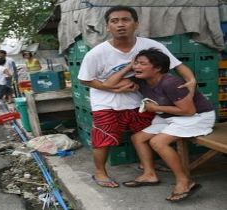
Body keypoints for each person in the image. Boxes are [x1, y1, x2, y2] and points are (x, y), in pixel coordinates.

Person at [77, 5, 196, 188]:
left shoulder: (150, 46)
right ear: (107, 27)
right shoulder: (97, 53)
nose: (120, 25)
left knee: (144, 133)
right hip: (106, 103)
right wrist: (113, 89)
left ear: (136, 24)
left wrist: (191, 79)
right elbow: (85, 80)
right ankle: (100, 172)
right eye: (114, 21)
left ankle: (147, 166)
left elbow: (177, 65)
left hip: (139, 100)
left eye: (126, 20)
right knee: (103, 137)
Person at [104, 48, 215, 201]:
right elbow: (110, 84)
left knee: (158, 142)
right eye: (136, 63)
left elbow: (188, 111)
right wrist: (129, 67)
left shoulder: (171, 83)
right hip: (170, 116)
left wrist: (155, 108)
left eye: (142, 64)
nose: (137, 67)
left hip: (197, 117)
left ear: (157, 68)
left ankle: (184, 181)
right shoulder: (142, 80)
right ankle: (149, 174)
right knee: (138, 138)